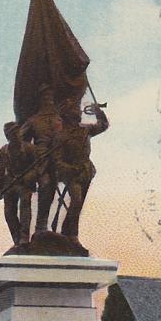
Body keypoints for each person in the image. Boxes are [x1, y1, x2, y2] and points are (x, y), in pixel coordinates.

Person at [56, 100, 109, 243]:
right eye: (75, 113)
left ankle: (69, 232)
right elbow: (57, 160)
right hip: (71, 173)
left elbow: (103, 125)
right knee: (76, 201)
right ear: (68, 117)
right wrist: (69, 169)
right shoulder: (61, 136)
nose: (79, 114)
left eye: (78, 113)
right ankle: (71, 234)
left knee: (79, 204)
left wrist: (98, 111)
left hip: (86, 171)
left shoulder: (85, 130)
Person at [20, 84, 63, 234]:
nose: (49, 100)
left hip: (58, 160)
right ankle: (41, 226)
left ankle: (66, 231)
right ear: (40, 100)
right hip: (41, 160)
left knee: (52, 190)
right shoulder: (33, 120)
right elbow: (21, 141)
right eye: (45, 97)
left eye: (51, 97)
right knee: (45, 186)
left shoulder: (60, 118)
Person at [0, 122, 37, 246]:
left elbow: (37, 168)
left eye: (17, 132)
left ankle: (24, 237)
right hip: (9, 185)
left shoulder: (29, 148)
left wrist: (27, 177)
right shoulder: (3, 151)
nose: (16, 135)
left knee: (24, 207)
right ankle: (16, 239)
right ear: (8, 136)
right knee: (9, 213)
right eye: (12, 133)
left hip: (24, 184)